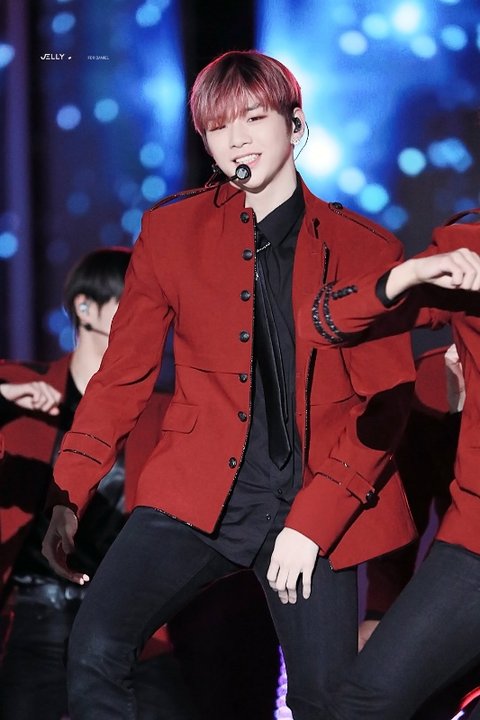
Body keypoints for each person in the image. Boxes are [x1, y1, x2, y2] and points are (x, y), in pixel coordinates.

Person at [41, 50, 417, 720]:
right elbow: (121, 377)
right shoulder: (171, 232)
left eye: (254, 118)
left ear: (295, 124)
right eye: (218, 127)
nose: (237, 139)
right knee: (96, 644)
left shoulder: (365, 248)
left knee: (322, 699)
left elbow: (384, 407)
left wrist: (313, 524)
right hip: (198, 490)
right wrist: (69, 491)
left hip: (314, 498)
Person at [297, 207, 480, 719]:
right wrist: (411, 273)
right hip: (474, 546)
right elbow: (325, 322)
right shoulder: (471, 251)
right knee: (367, 703)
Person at [0, 248, 197, 720]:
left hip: (127, 623)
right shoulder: (21, 389)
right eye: (133, 300)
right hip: (35, 617)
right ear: (85, 308)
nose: (148, 315)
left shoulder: (165, 410)